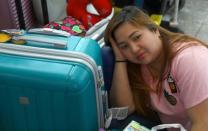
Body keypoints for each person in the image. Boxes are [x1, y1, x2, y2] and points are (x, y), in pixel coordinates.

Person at [104, 6, 208, 131]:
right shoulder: (141, 65)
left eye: (137, 37)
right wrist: (120, 58)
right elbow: (124, 110)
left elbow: (203, 124)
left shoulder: (190, 59)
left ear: (154, 30)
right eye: (124, 46)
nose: (134, 49)